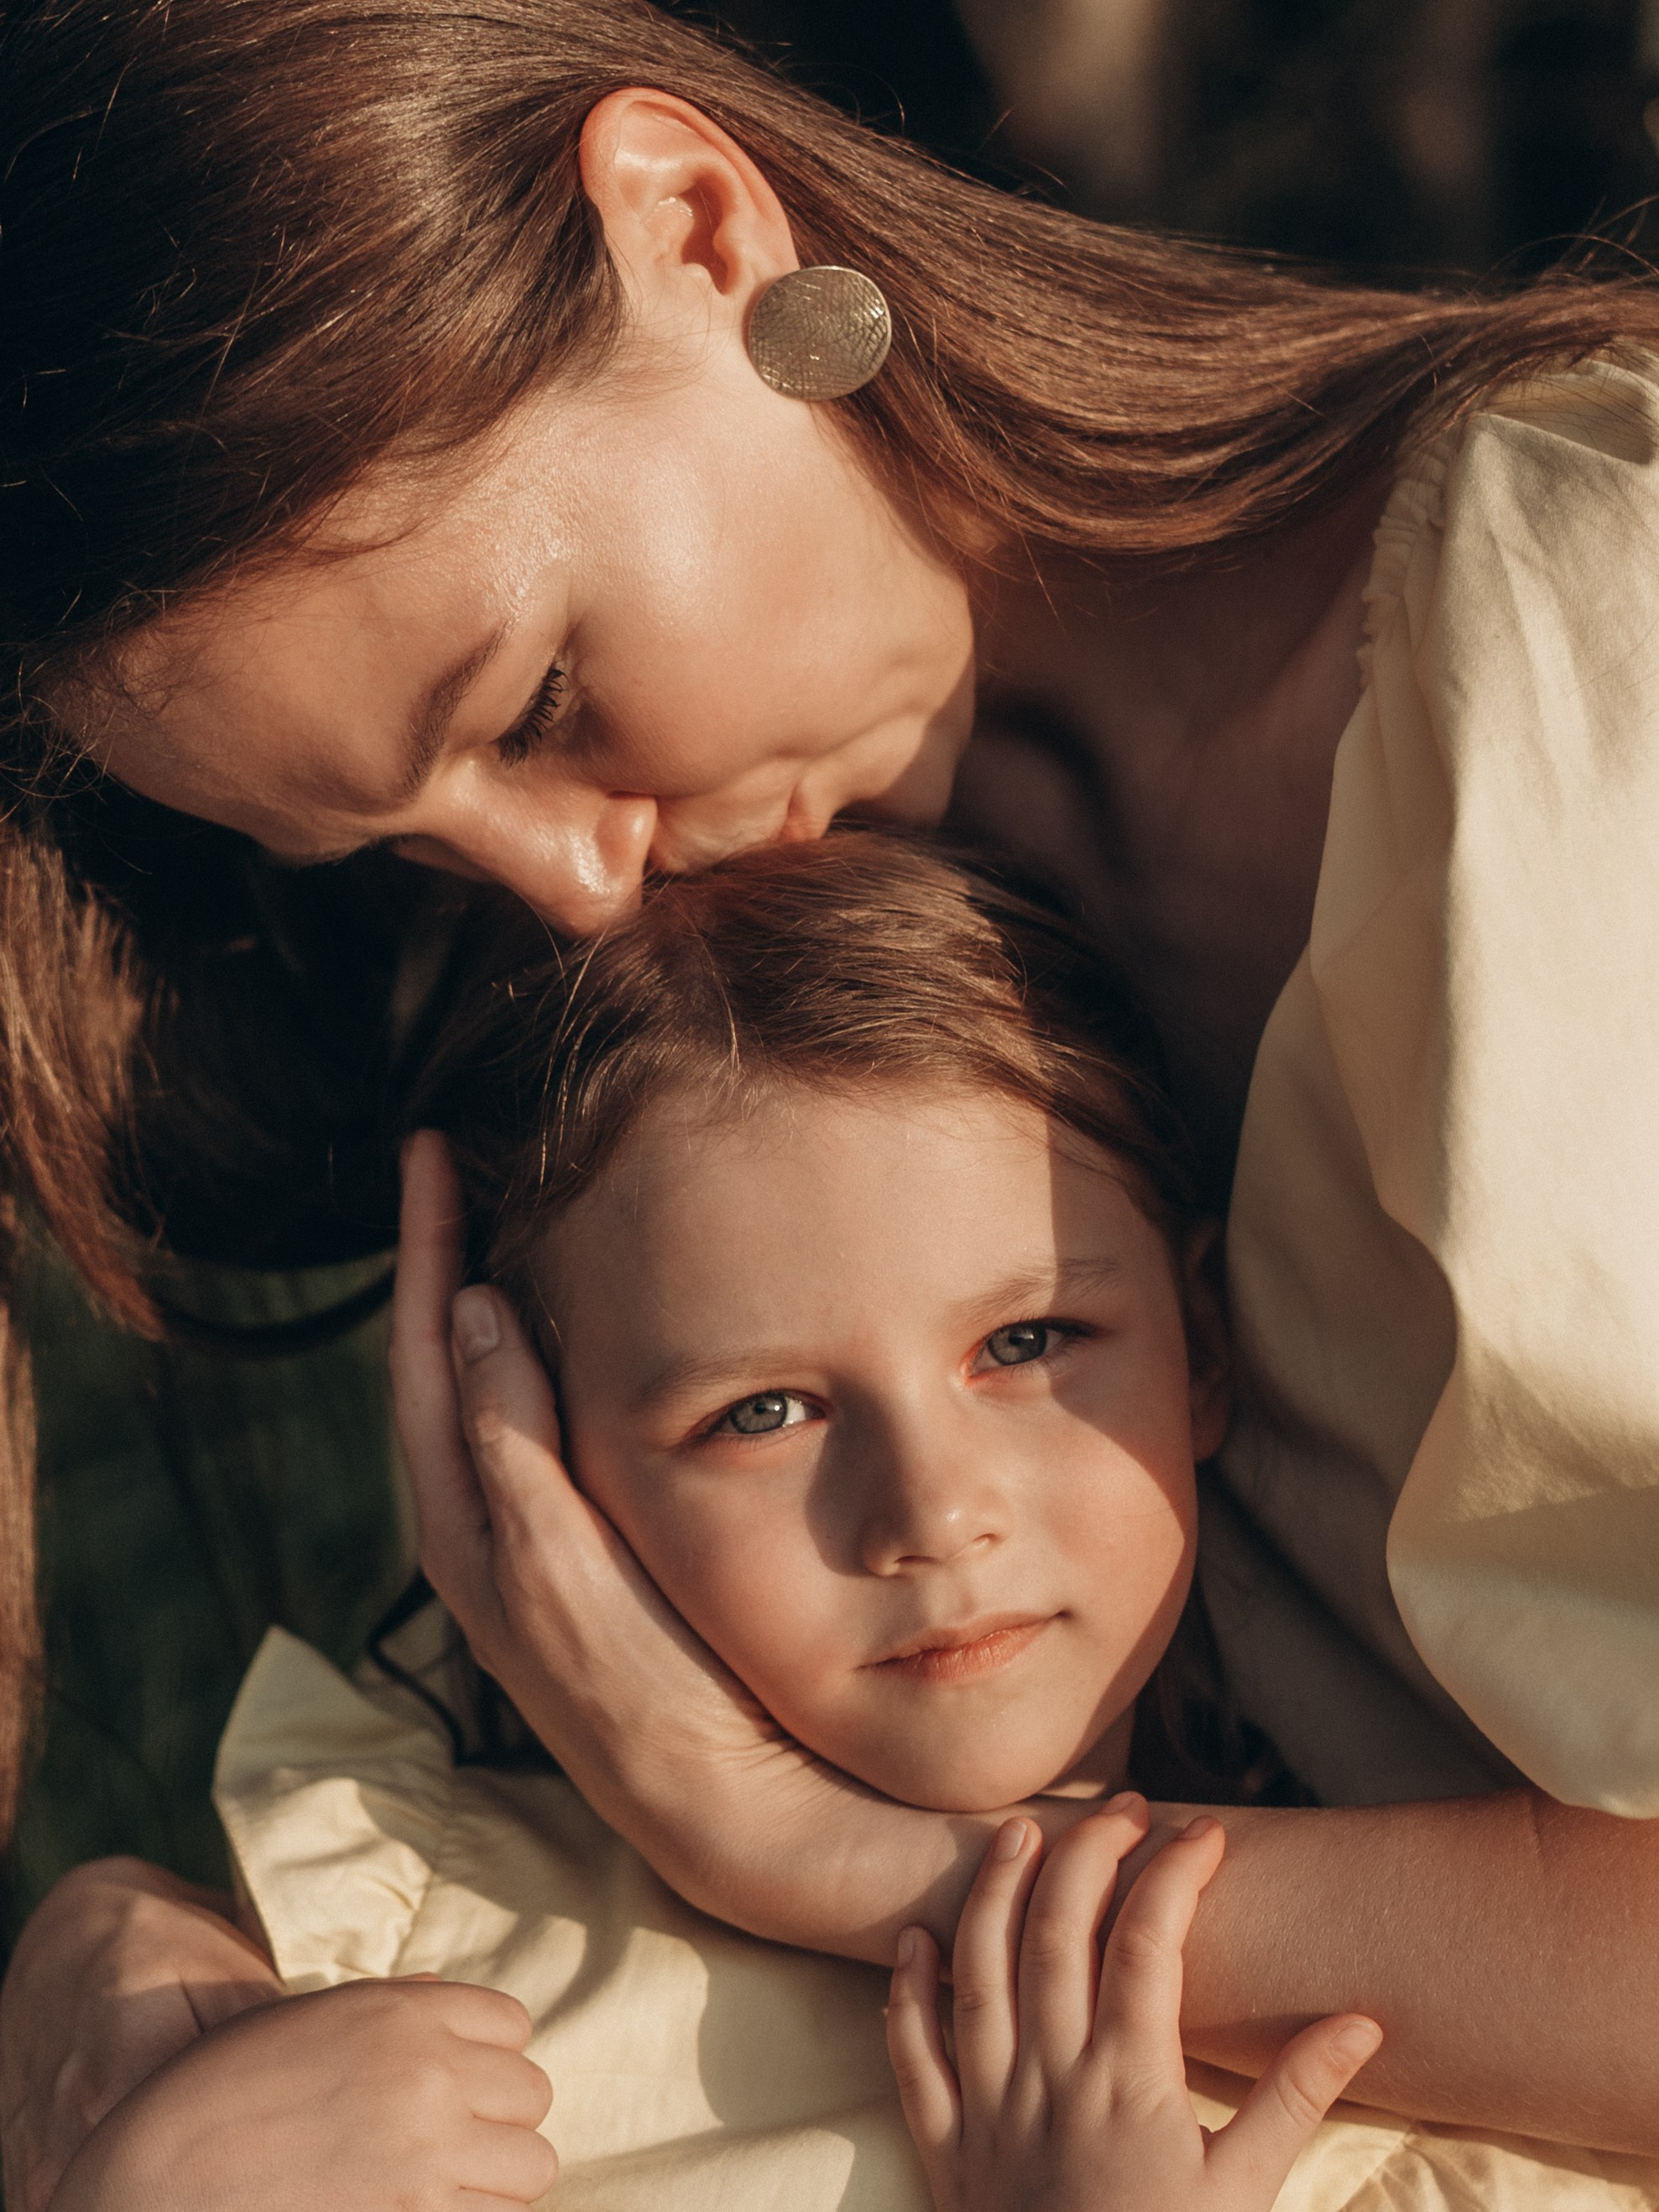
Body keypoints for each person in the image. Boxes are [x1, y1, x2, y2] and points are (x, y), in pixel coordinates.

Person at [7, 0, 1659, 2194]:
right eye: (397, 845)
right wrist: (123, 1979)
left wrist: (856, 1860)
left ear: (695, 229)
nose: (576, 879)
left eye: (535, 696)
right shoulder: (769, 1010)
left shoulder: (1588, 648)